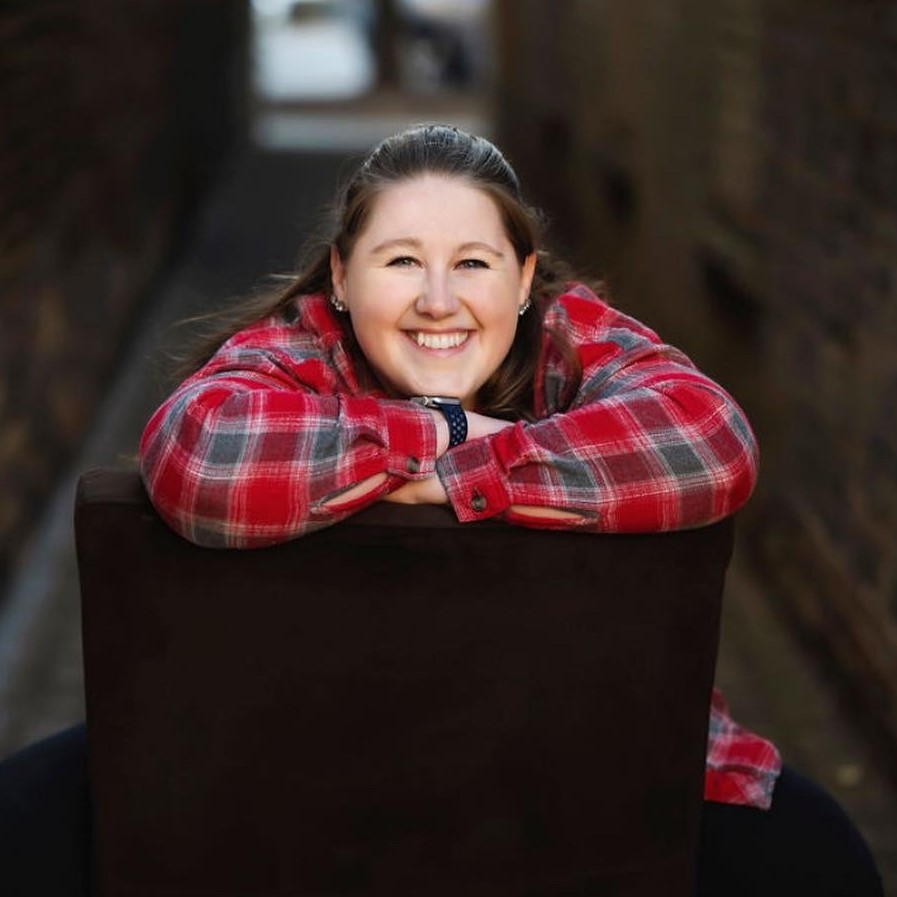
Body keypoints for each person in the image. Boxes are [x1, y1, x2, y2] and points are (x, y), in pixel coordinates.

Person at [0, 124, 883, 896]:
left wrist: (454, 468)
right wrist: (450, 433)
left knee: (814, 854)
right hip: (284, 768)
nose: (436, 300)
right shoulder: (291, 351)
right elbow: (201, 459)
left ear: (526, 277)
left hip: (565, 775)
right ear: (340, 279)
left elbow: (710, 436)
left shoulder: (574, 340)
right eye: (399, 261)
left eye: (472, 262)